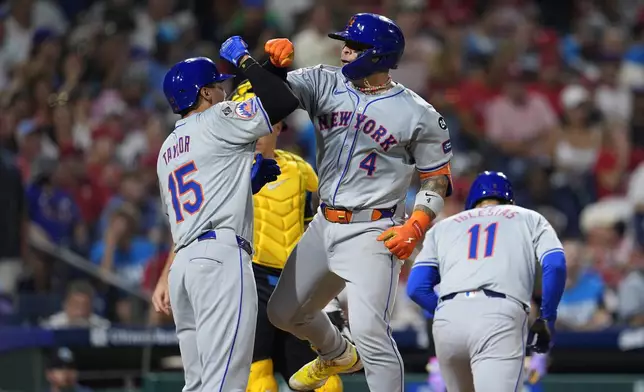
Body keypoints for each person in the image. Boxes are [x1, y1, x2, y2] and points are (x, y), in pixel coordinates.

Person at [263, 13, 454, 392]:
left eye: (354, 46)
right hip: (324, 222)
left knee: (371, 332)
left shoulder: (419, 113)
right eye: (345, 43)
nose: (345, 50)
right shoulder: (323, 80)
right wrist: (272, 68)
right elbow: (272, 98)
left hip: (373, 228)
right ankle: (336, 353)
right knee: (282, 313)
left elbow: (438, 179)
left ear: (379, 55)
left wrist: (416, 223)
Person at [152, 36, 299, 392]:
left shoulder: (167, 149)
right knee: (226, 383)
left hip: (184, 268)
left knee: (199, 383)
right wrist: (246, 61)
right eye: (218, 86)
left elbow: (196, 205)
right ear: (204, 94)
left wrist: (244, 186)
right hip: (219, 260)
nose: (223, 92)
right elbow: (282, 101)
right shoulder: (217, 119)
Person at [229, 80, 346, 392]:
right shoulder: (225, 171)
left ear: (278, 126)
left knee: (327, 386)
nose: (254, 133)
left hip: (296, 282)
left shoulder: (302, 171)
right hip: (250, 281)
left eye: (262, 124)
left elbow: (316, 230)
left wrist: (329, 294)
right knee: (258, 384)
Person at [406, 171, 567, 392]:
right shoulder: (528, 217)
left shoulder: (444, 227)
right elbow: (555, 265)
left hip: (448, 324)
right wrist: (547, 317)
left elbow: (416, 288)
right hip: (498, 314)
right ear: (509, 200)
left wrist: (450, 310)